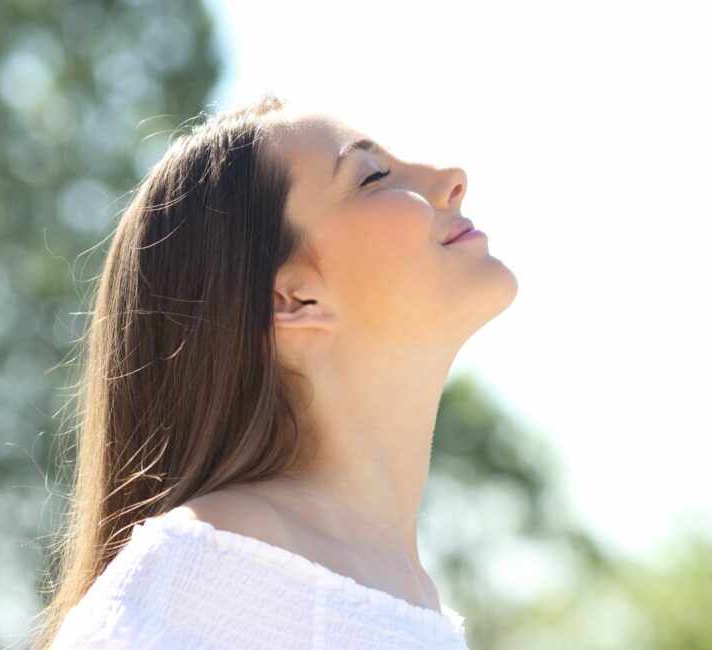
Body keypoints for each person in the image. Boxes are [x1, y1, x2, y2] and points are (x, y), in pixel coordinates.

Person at [28, 94, 518, 649]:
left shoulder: (412, 600)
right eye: (373, 176)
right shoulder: (212, 563)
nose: (452, 178)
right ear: (291, 298)